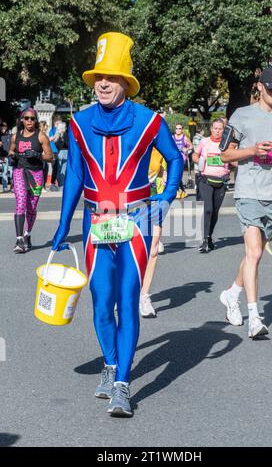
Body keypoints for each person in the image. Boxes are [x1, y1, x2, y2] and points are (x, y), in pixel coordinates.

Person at [51, 32, 183, 417]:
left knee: (127, 300)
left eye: (111, 77)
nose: (103, 83)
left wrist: (166, 196)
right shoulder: (79, 122)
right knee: (99, 302)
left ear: (126, 82)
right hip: (96, 221)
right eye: (98, 78)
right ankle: (111, 365)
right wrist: (62, 226)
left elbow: (174, 159)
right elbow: (75, 175)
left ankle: (123, 385)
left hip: (137, 220)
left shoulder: (149, 120)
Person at [219, 67, 272, 338]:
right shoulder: (242, 115)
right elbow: (225, 156)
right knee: (253, 252)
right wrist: (253, 150)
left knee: (256, 253)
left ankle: (233, 293)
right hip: (248, 191)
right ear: (260, 87)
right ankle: (254, 317)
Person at [9, 108, 53, 253]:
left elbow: (50, 157)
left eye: (32, 118)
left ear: (36, 120)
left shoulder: (41, 137)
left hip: (36, 174)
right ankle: (19, 239)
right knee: (21, 202)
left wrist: (37, 155)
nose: (29, 121)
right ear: (22, 119)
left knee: (32, 207)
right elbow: (11, 150)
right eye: (26, 118)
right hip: (20, 171)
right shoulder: (16, 136)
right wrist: (12, 156)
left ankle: (27, 235)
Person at [193, 118, 229, 252]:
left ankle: (209, 237)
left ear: (223, 130)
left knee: (215, 211)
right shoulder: (204, 142)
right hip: (206, 179)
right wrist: (200, 161)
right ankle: (205, 240)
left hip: (221, 180)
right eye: (215, 128)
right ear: (211, 129)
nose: (218, 131)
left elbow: (233, 159)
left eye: (220, 129)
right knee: (208, 209)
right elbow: (194, 155)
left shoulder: (227, 144)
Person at [139, 146, 167, 318]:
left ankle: (144, 296)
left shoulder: (159, 148)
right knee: (124, 248)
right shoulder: (131, 138)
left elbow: (166, 164)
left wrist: (165, 179)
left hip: (153, 197)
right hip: (128, 199)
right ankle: (121, 294)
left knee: (153, 249)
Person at [172, 124, 193, 198]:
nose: (178, 130)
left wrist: (186, 149)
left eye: (180, 128)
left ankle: (178, 191)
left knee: (176, 174)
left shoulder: (184, 138)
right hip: (173, 158)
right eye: (177, 128)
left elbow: (191, 146)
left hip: (181, 158)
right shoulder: (172, 137)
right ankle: (182, 191)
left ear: (182, 129)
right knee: (176, 175)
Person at [0, 121, 12, 193]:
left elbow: (10, 147)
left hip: (7, 157)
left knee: (7, 173)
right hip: (1, 156)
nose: (3, 127)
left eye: (5, 126)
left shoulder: (9, 136)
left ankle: (6, 187)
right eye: (2, 126)